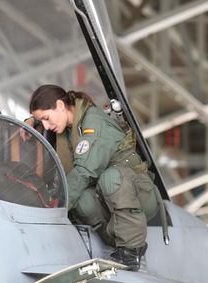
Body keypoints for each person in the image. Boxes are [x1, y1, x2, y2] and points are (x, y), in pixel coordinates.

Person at [23, 84, 159, 271]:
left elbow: (85, 172)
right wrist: (32, 122)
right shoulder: (68, 127)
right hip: (108, 195)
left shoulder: (93, 123)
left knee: (110, 179)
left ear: (61, 105)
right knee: (84, 201)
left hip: (139, 192)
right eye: (42, 121)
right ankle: (117, 243)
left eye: (46, 119)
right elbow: (48, 119)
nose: (46, 126)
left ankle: (132, 250)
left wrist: (55, 208)